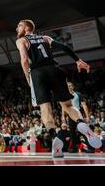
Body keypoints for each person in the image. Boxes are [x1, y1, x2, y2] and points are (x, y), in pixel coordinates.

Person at [15, 19, 101, 158]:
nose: (16, 29)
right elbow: (65, 48)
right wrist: (78, 60)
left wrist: (28, 77)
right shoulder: (45, 38)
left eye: (19, 26)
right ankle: (82, 125)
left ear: (26, 28)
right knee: (67, 105)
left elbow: (24, 59)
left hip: (38, 73)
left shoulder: (21, 41)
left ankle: (55, 138)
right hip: (55, 69)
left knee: (45, 108)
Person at [65, 81, 91, 153]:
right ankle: (74, 148)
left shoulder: (78, 94)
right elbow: (64, 107)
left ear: (73, 87)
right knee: (72, 132)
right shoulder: (65, 96)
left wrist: (87, 116)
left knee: (83, 130)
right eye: (67, 85)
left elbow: (84, 105)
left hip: (78, 114)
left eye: (70, 85)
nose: (69, 86)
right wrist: (63, 116)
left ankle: (90, 147)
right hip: (70, 115)